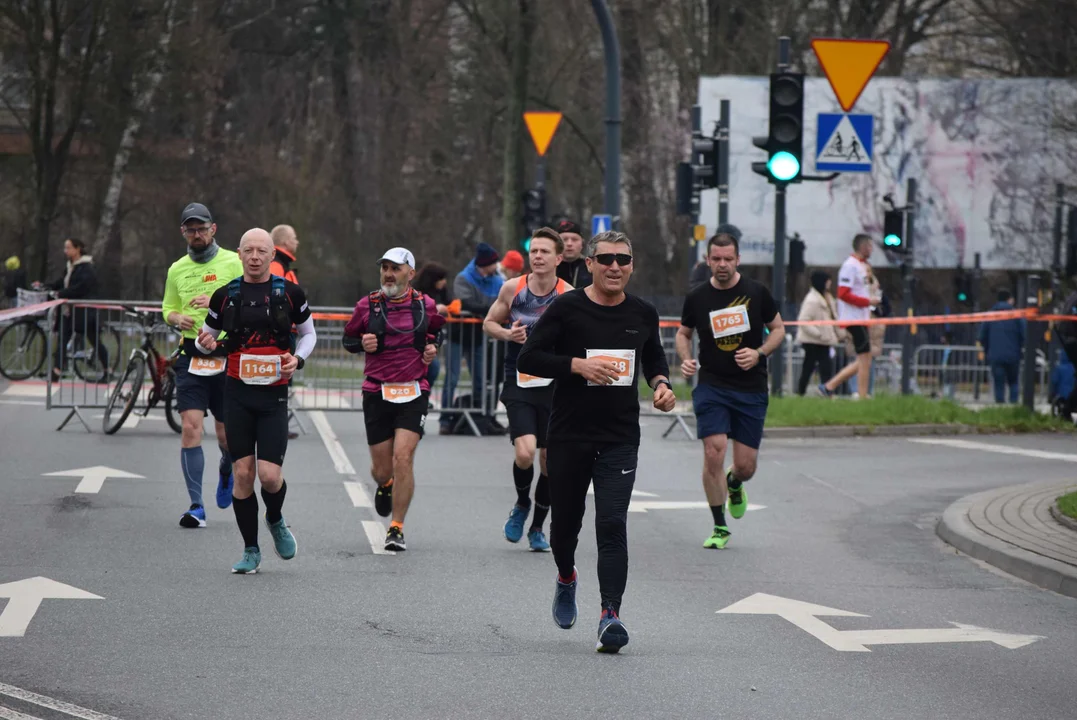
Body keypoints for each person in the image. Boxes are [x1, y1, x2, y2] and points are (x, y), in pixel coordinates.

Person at [517, 230, 676, 654]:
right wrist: (576, 366)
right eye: (605, 259)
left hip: (620, 437)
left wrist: (661, 384)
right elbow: (528, 358)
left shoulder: (643, 312)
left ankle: (610, 615)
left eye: (623, 260)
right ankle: (566, 575)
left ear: (631, 266)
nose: (614, 267)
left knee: (611, 524)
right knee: (565, 529)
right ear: (588, 263)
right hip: (569, 434)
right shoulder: (567, 308)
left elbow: (654, 356)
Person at [195, 228, 316, 574]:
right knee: (243, 473)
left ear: (272, 255)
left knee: (269, 476)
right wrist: (205, 343)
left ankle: (275, 519)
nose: (254, 257)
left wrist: (299, 359)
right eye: (248, 250)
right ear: (239, 253)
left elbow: (309, 334)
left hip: (274, 394)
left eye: (262, 251)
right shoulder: (225, 296)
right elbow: (209, 336)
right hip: (237, 392)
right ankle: (250, 549)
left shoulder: (290, 293)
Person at [675, 228, 785, 550]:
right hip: (712, 385)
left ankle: (735, 482)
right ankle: (719, 526)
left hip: (750, 388)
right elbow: (683, 334)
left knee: (746, 466)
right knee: (714, 451)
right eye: (716, 259)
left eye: (728, 259)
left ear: (738, 260)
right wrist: (685, 359)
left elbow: (778, 329)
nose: (722, 264)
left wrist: (759, 352)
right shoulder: (697, 297)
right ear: (708, 260)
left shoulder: (756, 292)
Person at [341, 247, 445, 552]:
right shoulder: (367, 305)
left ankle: (396, 527)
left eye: (396, 268)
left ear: (410, 274)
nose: (389, 273)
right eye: (385, 267)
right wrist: (361, 343)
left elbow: (438, 332)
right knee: (382, 469)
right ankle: (385, 485)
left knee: (403, 457)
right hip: (377, 391)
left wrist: (432, 348)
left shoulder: (425, 305)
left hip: (414, 390)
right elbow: (348, 339)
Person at [483, 227, 571, 553]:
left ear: (558, 258)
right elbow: (489, 323)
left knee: (549, 461)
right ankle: (522, 504)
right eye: (534, 251)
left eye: (544, 251)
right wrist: (508, 335)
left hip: (554, 384)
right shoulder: (513, 288)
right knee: (525, 452)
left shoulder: (568, 295)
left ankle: (537, 527)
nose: (537, 256)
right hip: (519, 378)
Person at [162, 203, 244, 528]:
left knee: (225, 436)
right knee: (190, 428)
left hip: (224, 355)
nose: (197, 234)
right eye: (190, 229)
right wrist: (174, 317)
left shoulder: (233, 262)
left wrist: (213, 299)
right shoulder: (176, 269)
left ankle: (226, 467)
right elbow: (167, 306)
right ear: (183, 232)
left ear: (214, 229)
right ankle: (196, 506)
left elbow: (245, 299)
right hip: (190, 355)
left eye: (202, 228)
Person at [441, 243, 505, 435]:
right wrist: (489, 310)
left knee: (480, 378)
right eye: (494, 262)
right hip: (458, 335)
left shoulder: (497, 279)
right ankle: (445, 419)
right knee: (452, 378)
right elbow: (466, 303)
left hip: (479, 336)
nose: (497, 265)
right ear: (486, 264)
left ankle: (481, 417)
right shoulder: (464, 278)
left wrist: (486, 309)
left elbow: (501, 301)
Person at [821, 233, 880, 399]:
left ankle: (828, 387)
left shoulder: (863, 266)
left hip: (862, 317)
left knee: (865, 358)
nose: (871, 249)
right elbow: (843, 294)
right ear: (862, 246)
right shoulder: (850, 266)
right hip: (853, 318)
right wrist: (868, 301)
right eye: (869, 246)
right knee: (864, 357)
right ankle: (861, 395)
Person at [47, 237, 109, 383]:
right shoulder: (70, 266)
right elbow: (61, 282)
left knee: (95, 341)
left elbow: (81, 287)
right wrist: (47, 286)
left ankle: (107, 370)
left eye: (68, 248)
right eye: (65, 248)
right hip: (70, 312)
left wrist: (62, 294)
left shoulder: (86, 267)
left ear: (77, 249)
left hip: (85, 313)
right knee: (62, 340)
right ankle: (56, 371)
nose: (65, 251)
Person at [269, 224, 302, 439]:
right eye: (294, 237)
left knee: (283, 381)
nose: (297, 242)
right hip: (278, 336)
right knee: (277, 381)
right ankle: (274, 425)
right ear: (284, 241)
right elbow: (273, 300)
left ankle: (278, 424)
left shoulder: (283, 264)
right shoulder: (276, 265)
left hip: (285, 333)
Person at [795, 271, 842, 395]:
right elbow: (803, 320)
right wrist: (818, 334)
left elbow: (833, 318)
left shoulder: (827, 298)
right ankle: (802, 392)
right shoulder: (812, 300)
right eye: (827, 281)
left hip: (823, 341)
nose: (830, 283)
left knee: (825, 368)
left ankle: (826, 391)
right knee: (809, 368)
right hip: (813, 341)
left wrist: (840, 334)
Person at [978, 289, 1025, 403]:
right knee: (1013, 382)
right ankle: (1013, 406)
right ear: (1009, 299)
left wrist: (987, 349)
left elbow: (982, 336)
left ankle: (1000, 406)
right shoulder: (1017, 315)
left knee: (999, 383)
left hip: (995, 355)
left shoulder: (990, 315)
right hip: (1013, 355)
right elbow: (1024, 334)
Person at [553, 219, 592, 288]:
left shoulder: (591, 268)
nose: (569, 244)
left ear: (582, 244)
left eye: (574, 239)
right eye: (564, 239)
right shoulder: (550, 268)